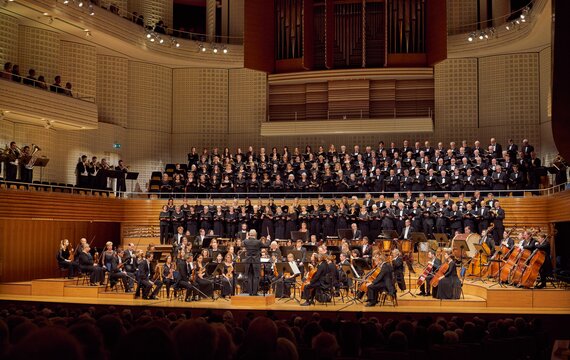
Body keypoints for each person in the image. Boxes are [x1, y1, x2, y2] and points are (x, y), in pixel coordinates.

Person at [243, 230, 267, 295]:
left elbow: (243, 242)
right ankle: (255, 292)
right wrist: (269, 240)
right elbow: (266, 245)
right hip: (255, 262)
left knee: (250, 276)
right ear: (255, 234)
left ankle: (250, 292)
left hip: (248, 261)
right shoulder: (258, 242)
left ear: (249, 234)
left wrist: (246, 237)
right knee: (256, 276)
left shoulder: (246, 241)